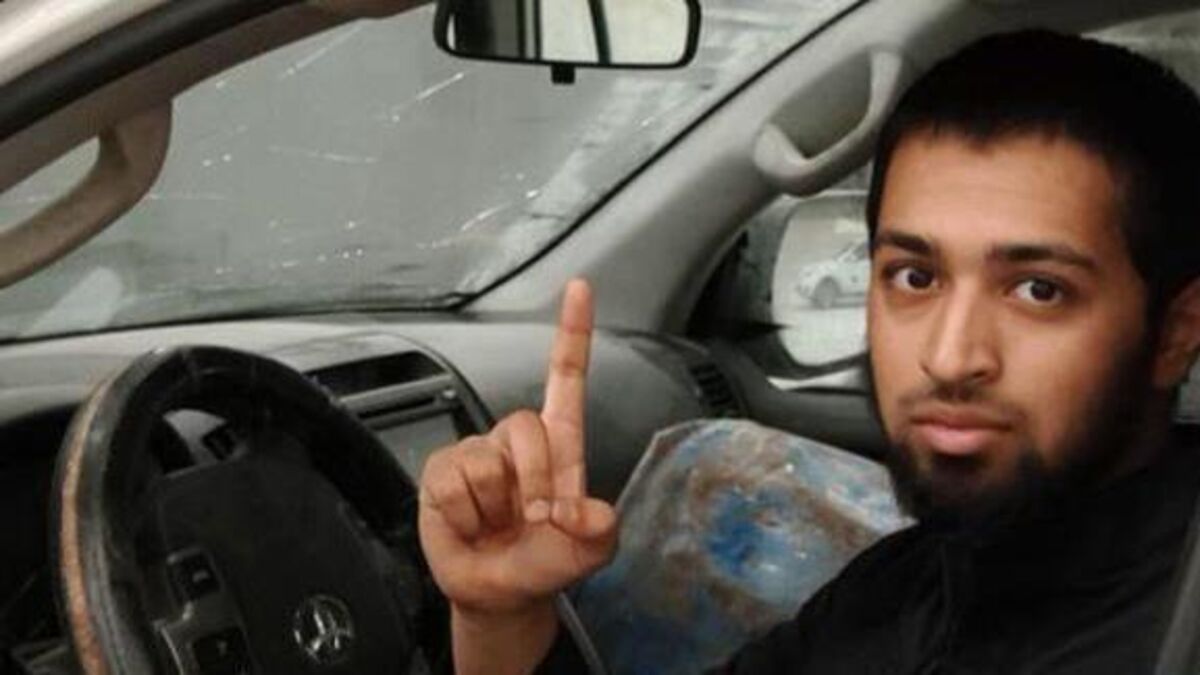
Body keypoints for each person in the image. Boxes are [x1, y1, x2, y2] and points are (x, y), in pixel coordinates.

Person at [417, 30, 1200, 674]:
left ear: (1176, 331)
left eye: (1038, 289)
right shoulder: (905, 589)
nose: (950, 355)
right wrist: (500, 613)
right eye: (915, 276)